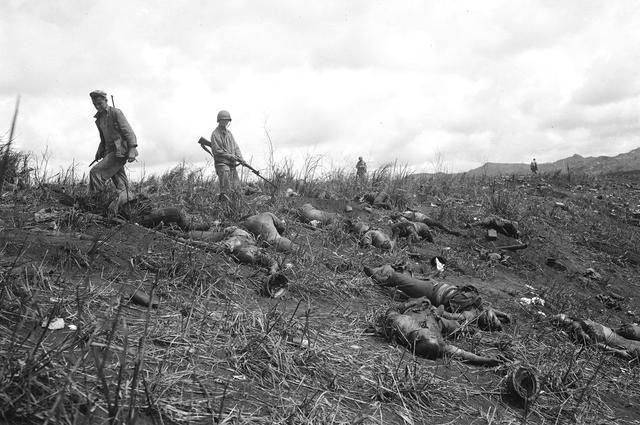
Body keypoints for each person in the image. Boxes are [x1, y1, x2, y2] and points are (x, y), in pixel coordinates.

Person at [89, 90, 138, 193]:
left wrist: (132, 149)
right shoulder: (98, 119)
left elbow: (129, 132)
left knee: (96, 172)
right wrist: (99, 151)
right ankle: (128, 202)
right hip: (108, 152)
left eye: (100, 103)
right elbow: (103, 138)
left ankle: (96, 201)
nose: (97, 107)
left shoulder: (116, 112)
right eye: (95, 104)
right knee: (120, 182)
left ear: (106, 101)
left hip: (119, 151)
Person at [210, 110, 244, 196]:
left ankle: (235, 207)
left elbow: (236, 147)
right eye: (223, 120)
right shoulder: (215, 134)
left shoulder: (229, 134)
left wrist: (241, 158)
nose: (225, 121)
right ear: (219, 120)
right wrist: (230, 156)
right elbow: (217, 151)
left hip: (232, 164)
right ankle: (224, 207)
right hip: (222, 164)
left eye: (227, 120)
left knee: (237, 188)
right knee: (226, 189)